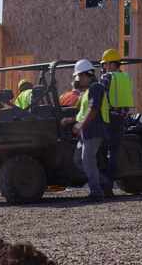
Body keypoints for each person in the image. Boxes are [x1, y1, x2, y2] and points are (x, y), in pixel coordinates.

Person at [61, 59, 110, 202]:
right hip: (86, 132)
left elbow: (93, 110)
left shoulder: (96, 88)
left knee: (87, 160)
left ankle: (96, 192)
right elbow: (82, 113)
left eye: (79, 77)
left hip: (94, 131)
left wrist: (80, 125)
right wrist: (71, 121)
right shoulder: (87, 92)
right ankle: (104, 183)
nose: (78, 80)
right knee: (78, 160)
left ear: (87, 75)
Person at [100, 49, 134, 197]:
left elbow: (99, 96)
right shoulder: (126, 77)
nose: (104, 67)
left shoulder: (107, 77)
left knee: (102, 152)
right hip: (121, 119)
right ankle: (109, 184)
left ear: (112, 64)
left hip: (108, 119)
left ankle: (104, 185)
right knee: (113, 152)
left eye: (105, 64)